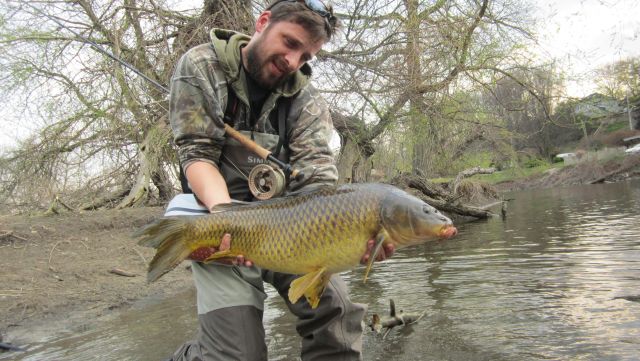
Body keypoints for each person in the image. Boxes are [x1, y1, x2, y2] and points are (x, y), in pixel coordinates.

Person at [165, 1, 394, 360]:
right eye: (290, 43)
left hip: (291, 229)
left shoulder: (306, 99)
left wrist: (352, 240)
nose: (293, 61)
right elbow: (197, 156)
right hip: (222, 222)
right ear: (263, 22)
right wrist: (227, 216)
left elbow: (319, 184)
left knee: (339, 315)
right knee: (239, 354)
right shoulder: (199, 65)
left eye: (305, 56)